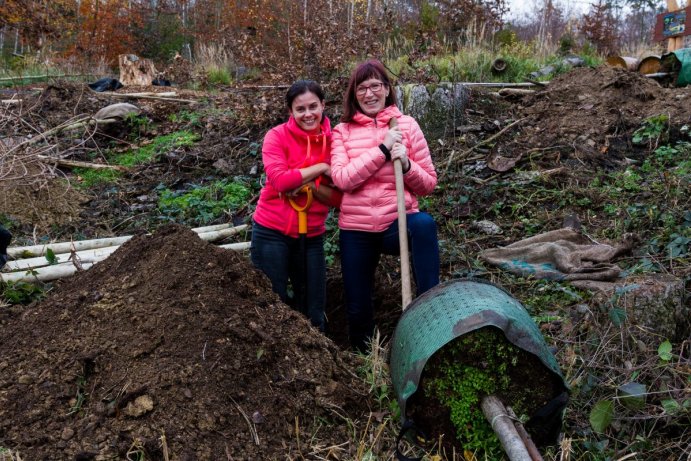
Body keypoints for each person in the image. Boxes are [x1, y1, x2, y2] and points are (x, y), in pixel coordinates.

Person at [330, 59, 440, 351]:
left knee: (424, 225)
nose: (369, 93)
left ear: (387, 89)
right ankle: (366, 361)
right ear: (354, 94)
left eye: (376, 85)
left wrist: (405, 164)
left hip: (397, 223)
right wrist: (382, 149)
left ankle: (431, 311)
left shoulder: (407, 126)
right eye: (362, 88)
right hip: (356, 229)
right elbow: (342, 179)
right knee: (357, 307)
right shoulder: (342, 131)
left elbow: (428, 184)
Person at [251, 80, 341, 332]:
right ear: (290, 111)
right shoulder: (276, 136)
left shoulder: (336, 143)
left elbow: (340, 199)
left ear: (323, 105)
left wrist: (309, 186)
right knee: (271, 301)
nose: (308, 114)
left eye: (313, 106)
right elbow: (280, 181)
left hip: (311, 236)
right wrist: (322, 169)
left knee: (314, 308)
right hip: (271, 232)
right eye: (300, 109)